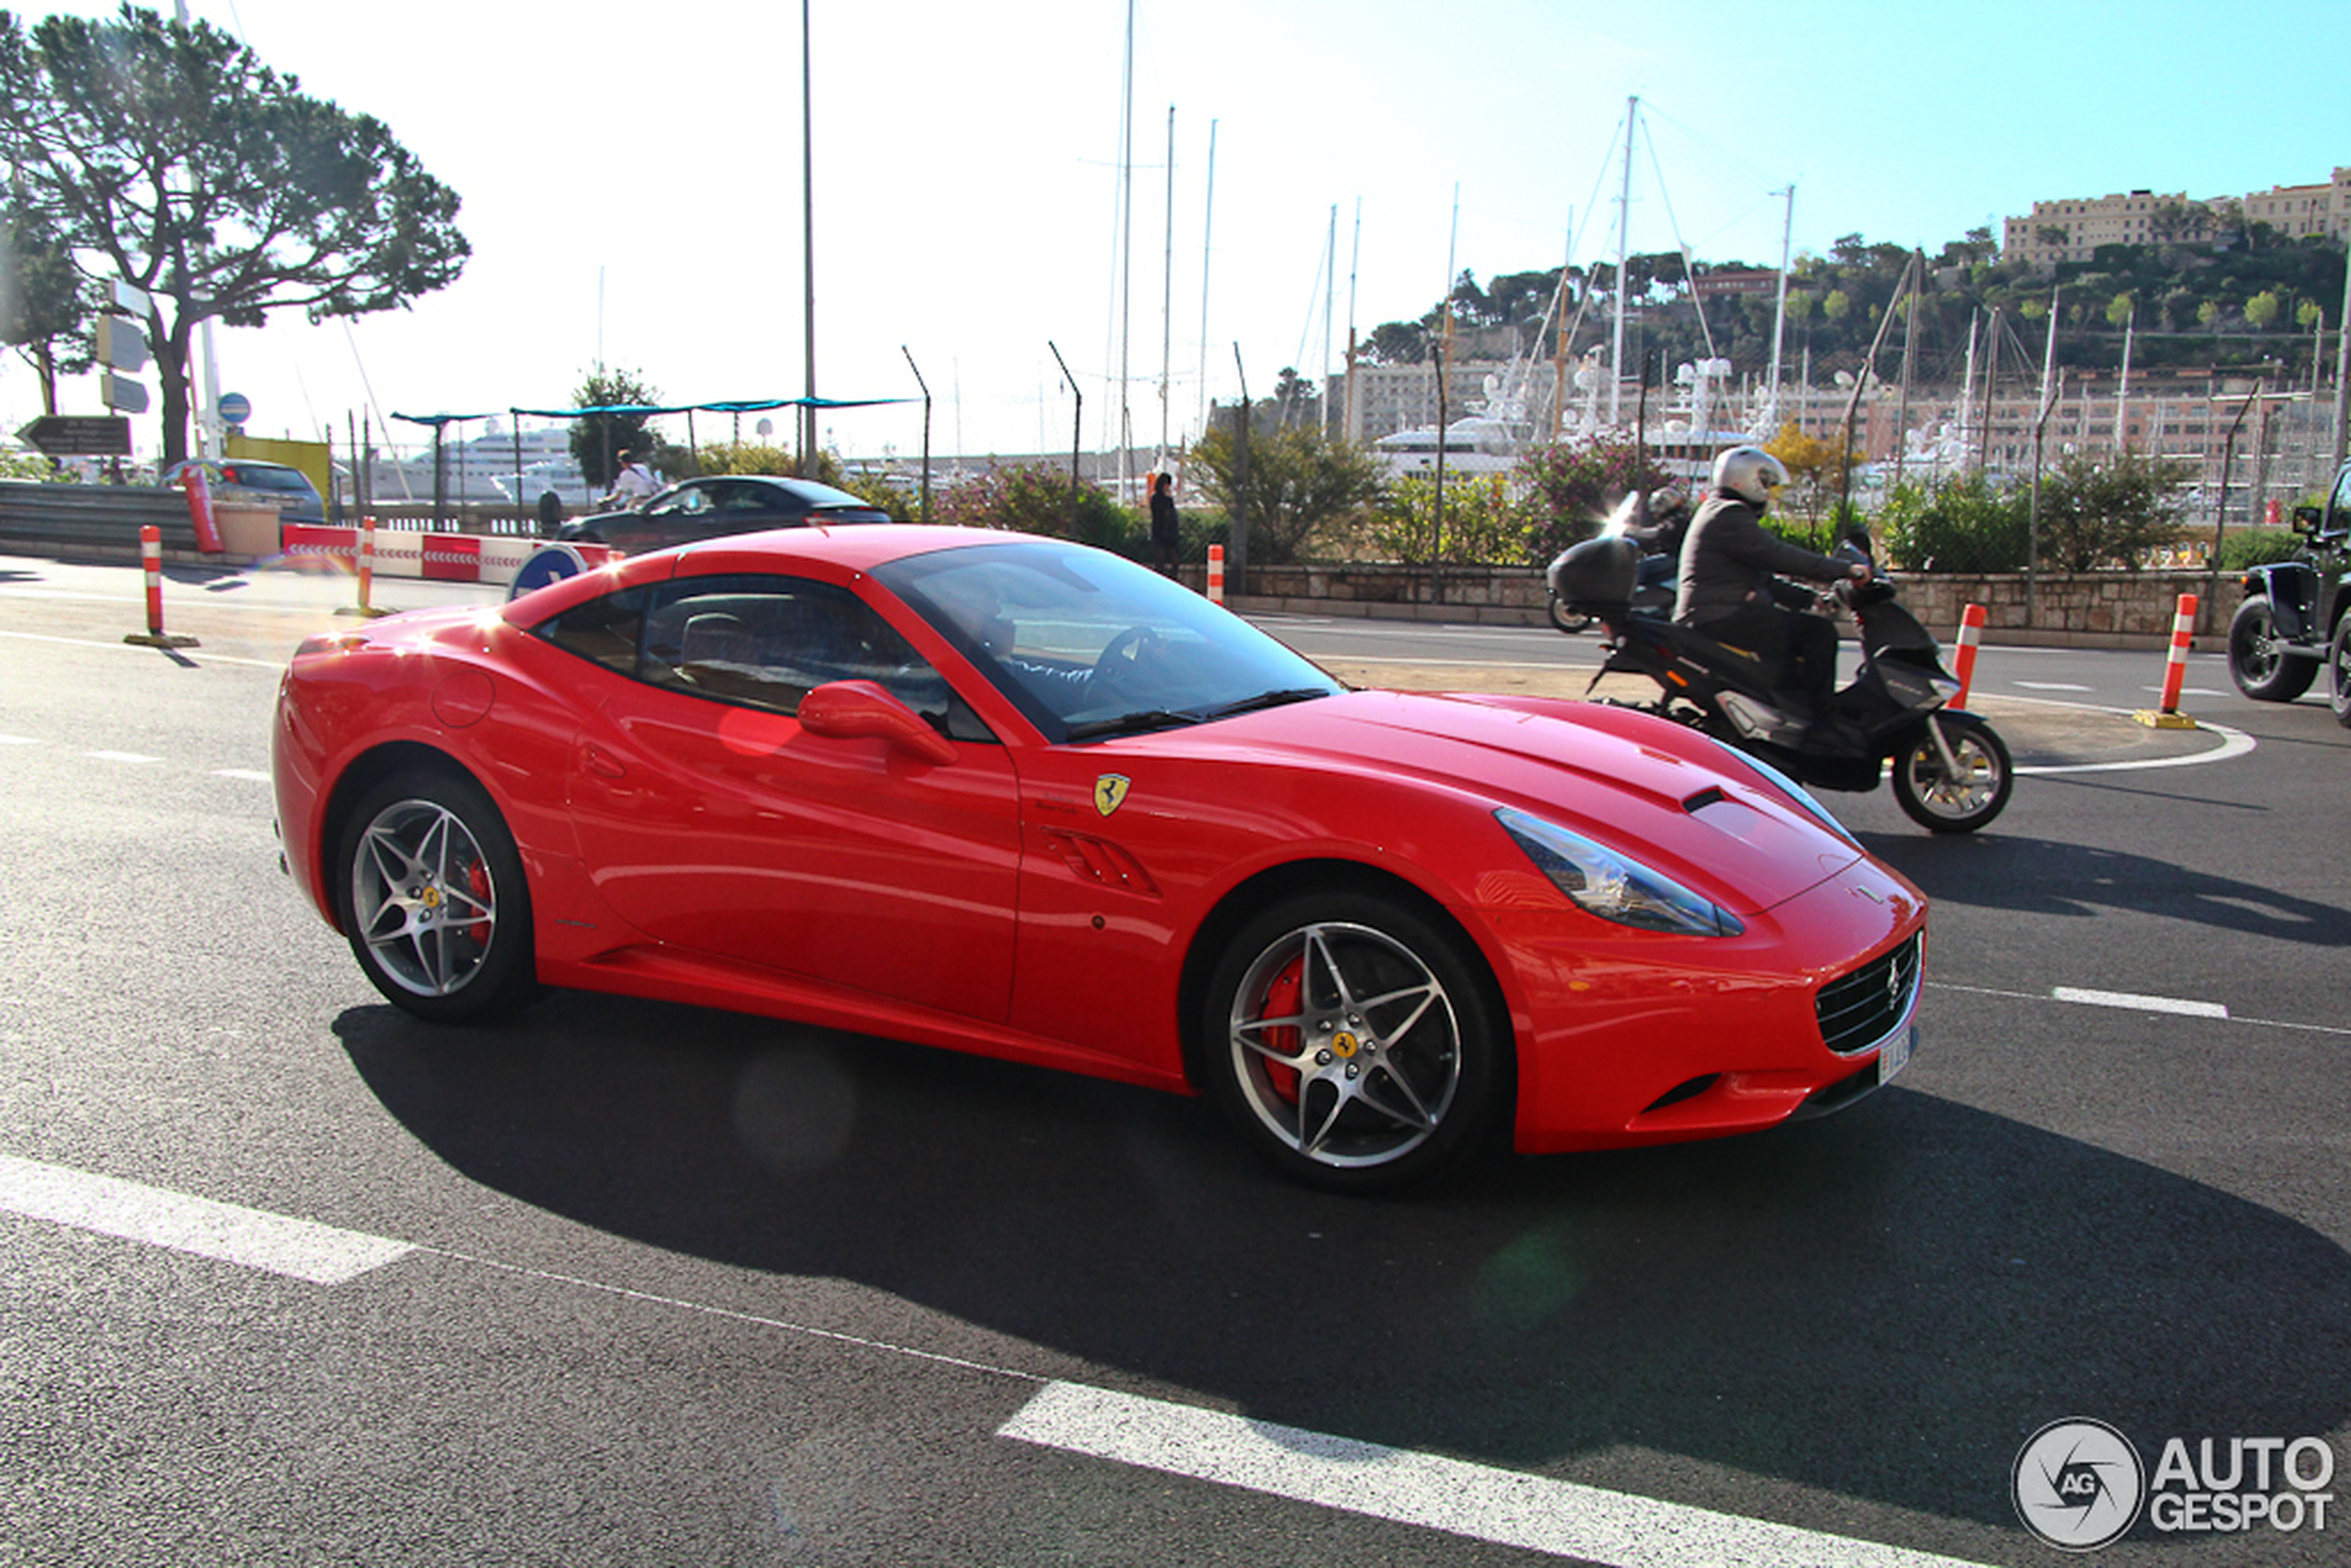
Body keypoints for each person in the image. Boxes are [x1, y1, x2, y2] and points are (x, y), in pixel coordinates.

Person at [1674, 445, 1871, 722]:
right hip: (1719, 616)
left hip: (1716, 613)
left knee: (1797, 638)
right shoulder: (1729, 514)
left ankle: (1786, 714)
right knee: (1819, 633)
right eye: (1765, 483)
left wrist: (1810, 599)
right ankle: (1820, 720)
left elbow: (1761, 575)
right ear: (1743, 479)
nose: (1767, 492)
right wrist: (1846, 569)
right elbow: (1778, 555)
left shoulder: (1719, 511)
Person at [1148, 471, 1180, 575]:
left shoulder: (1162, 499)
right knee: (1162, 562)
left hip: (1165, 534)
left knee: (1171, 561)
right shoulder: (1160, 499)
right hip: (1161, 533)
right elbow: (1165, 515)